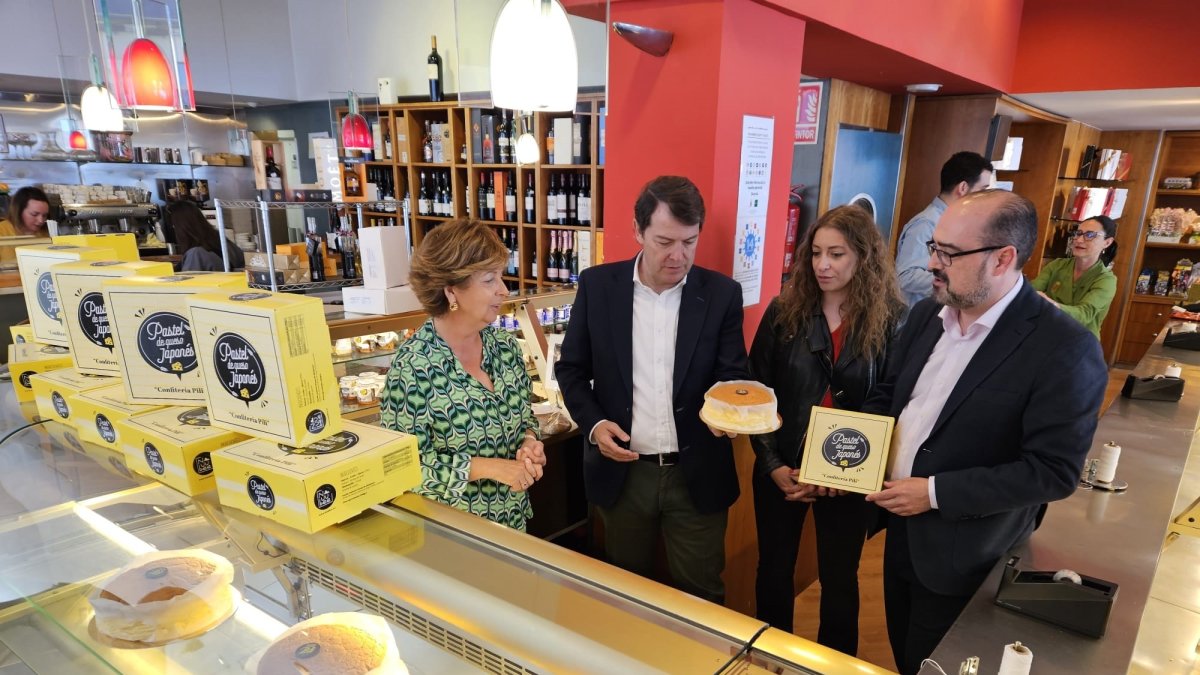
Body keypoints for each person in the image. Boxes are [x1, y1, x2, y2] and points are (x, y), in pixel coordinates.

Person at [862, 189, 1107, 675]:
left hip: (967, 555)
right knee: (903, 657)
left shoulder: (1063, 348)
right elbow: (889, 395)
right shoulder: (926, 318)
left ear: (1003, 258)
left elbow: (1052, 472)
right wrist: (848, 447)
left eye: (948, 254)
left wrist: (934, 493)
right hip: (900, 538)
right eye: (934, 247)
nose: (933, 263)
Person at [556, 175, 749, 604]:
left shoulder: (720, 295)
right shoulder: (597, 287)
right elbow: (570, 370)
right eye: (664, 241)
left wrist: (727, 415)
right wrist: (594, 424)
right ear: (637, 231)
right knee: (624, 594)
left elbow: (732, 376)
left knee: (701, 596)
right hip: (623, 474)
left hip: (696, 472)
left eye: (689, 242)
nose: (678, 256)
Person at [748, 205, 905, 655]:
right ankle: (769, 658)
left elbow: (892, 401)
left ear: (863, 258)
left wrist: (842, 474)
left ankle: (834, 664)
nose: (823, 264)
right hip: (784, 470)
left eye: (836, 254)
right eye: (816, 252)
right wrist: (773, 464)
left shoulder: (893, 319)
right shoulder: (784, 311)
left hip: (849, 473)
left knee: (840, 577)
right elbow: (757, 393)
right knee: (774, 568)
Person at [379, 218, 546, 532]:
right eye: (489, 280)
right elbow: (402, 465)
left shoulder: (505, 347)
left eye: (500, 276)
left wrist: (529, 442)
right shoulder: (414, 367)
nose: (503, 290)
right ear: (451, 290)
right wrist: (488, 468)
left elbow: (526, 419)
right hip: (450, 533)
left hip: (512, 524)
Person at [894, 152, 994, 307]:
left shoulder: (954, 222)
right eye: (983, 189)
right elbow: (905, 275)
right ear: (963, 187)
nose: (984, 197)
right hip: (915, 320)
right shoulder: (926, 224)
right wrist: (955, 283)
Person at [1030, 215, 1117, 338]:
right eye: (1078, 233)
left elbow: (1084, 314)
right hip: (1047, 336)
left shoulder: (1106, 280)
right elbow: (1033, 290)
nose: (1079, 240)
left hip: (1080, 343)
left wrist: (1051, 305)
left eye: (1090, 235)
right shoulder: (1057, 265)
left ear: (1107, 242)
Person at [163, 200, 244, 271]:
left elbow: (188, 286)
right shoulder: (224, 242)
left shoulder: (195, 254)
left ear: (182, 228)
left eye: (174, 226)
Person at [0, 187, 51, 268]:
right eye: (34, 214)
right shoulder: (2, 231)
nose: (41, 220)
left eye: (44, 215)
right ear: (19, 211)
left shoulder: (45, 235)